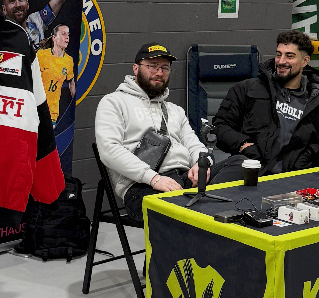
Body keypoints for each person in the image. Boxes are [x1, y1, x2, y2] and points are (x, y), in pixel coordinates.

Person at [96, 43, 232, 222]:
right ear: (136, 69)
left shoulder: (175, 110)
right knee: (181, 213)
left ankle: (199, 208)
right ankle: (200, 212)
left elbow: (193, 143)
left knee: (242, 164)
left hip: (184, 179)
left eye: (164, 68)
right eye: (152, 66)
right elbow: (109, 149)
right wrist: (153, 179)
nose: (159, 73)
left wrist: (201, 164)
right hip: (142, 186)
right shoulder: (114, 102)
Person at [212, 30, 319, 175]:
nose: (281, 61)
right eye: (279, 54)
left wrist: (310, 152)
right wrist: (243, 145)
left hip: (295, 181)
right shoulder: (247, 89)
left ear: (305, 61)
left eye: (289, 56)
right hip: (251, 177)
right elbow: (219, 127)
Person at [2, 0, 75, 48]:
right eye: (12, 1)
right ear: (4, 9)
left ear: (27, 4)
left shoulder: (36, 21)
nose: (18, 5)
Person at [37, 24, 77, 122]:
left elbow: (71, 82)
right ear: (54, 38)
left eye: (68, 34)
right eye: (63, 34)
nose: (67, 37)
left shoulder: (68, 60)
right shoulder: (41, 55)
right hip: (35, 109)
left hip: (52, 113)